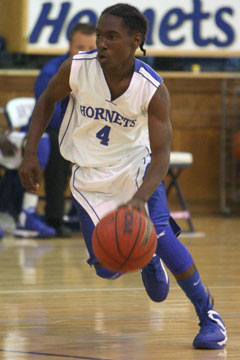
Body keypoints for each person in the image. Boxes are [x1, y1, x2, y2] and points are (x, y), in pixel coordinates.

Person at [19, 3, 227, 349]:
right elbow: (45, 102)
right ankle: (145, 258)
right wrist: (30, 152)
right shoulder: (77, 68)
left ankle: (208, 315)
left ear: (136, 40)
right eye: (100, 35)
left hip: (136, 168)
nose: (101, 42)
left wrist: (139, 199)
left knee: (162, 236)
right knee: (106, 266)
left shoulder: (152, 88)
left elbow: (161, 157)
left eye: (111, 37)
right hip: (88, 174)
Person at [33, 22, 96, 237]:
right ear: (69, 47)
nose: (86, 53)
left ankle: (92, 215)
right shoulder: (52, 71)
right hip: (54, 132)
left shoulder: (104, 72)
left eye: (91, 48)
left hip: (88, 133)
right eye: (80, 47)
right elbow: (48, 115)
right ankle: (55, 216)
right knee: (57, 144)